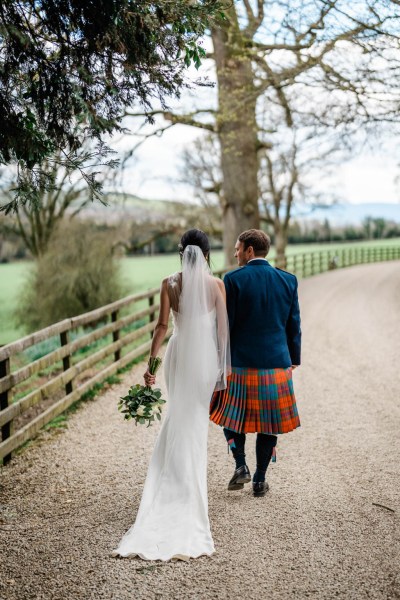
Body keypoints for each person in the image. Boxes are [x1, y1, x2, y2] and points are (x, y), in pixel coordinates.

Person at [113, 229, 230, 561]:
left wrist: (151, 365)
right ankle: (188, 487)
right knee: (194, 420)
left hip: (178, 357)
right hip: (205, 359)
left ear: (181, 254)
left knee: (178, 414)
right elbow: (223, 331)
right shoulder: (217, 285)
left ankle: (174, 482)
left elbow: (161, 327)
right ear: (206, 255)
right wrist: (223, 369)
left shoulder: (169, 284)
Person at [210, 229, 301, 497]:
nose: (235, 253)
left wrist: (219, 357)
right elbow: (293, 325)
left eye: (238, 248)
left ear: (250, 250)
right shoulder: (288, 280)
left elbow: (227, 325)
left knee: (230, 415)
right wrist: (293, 358)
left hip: (240, 363)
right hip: (275, 364)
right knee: (269, 422)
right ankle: (260, 479)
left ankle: (241, 466)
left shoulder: (234, 280)